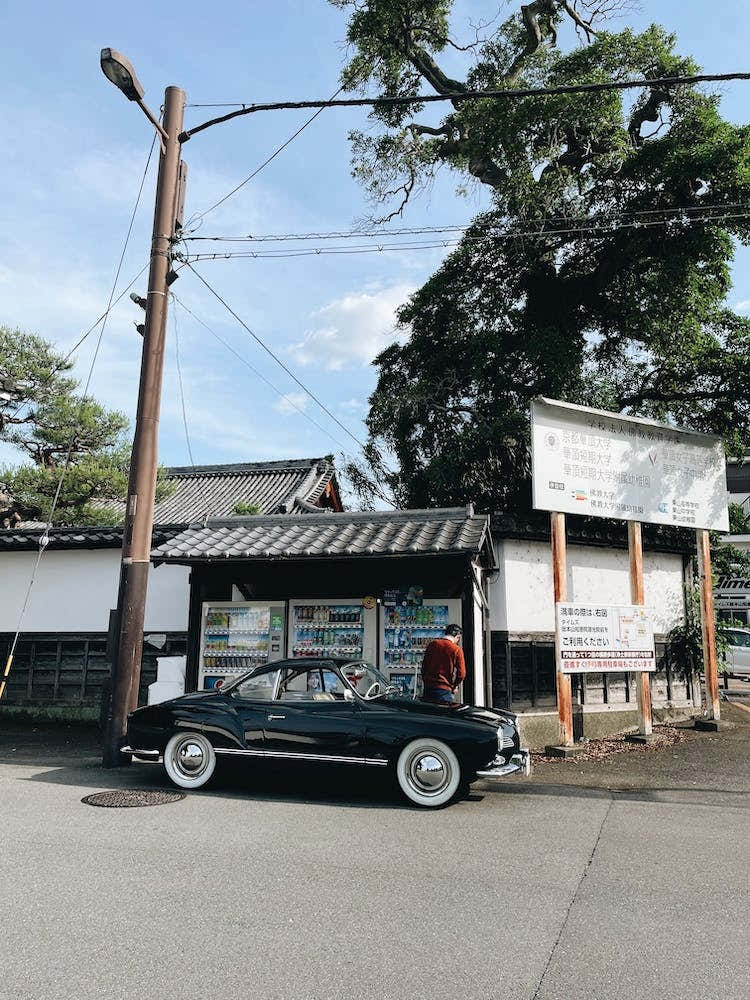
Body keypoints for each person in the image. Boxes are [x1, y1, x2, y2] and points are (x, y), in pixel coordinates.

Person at [420, 624, 465, 705]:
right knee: (444, 712)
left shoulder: (432, 644)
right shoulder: (456, 649)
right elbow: (462, 674)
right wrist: (454, 686)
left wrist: (426, 681)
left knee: (428, 712)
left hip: (428, 688)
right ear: (458, 636)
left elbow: (424, 667)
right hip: (444, 689)